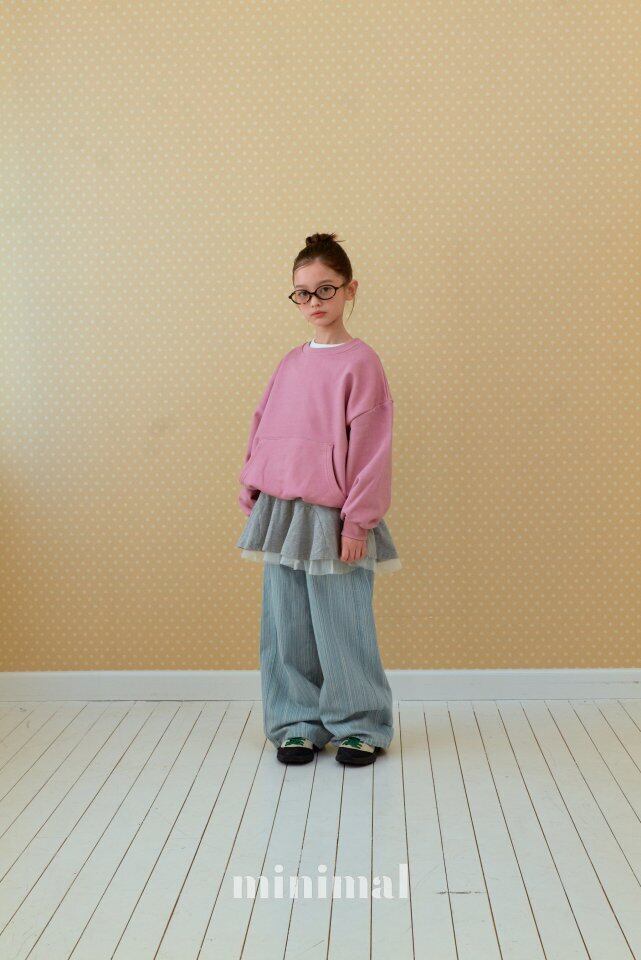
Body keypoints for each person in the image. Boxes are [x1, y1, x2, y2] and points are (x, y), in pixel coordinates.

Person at [236, 232, 400, 768]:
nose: (314, 302)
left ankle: (360, 725)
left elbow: (372, 450)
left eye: (325, 289)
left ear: (350, 289)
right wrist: (253, 482)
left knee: (342, 623)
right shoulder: (290, 362)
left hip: (335, 514)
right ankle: (296, 723)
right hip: (281, 510)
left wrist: (358, 523)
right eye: (302, 293)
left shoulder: (362, 363)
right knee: (286, 625)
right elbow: (265, 424)